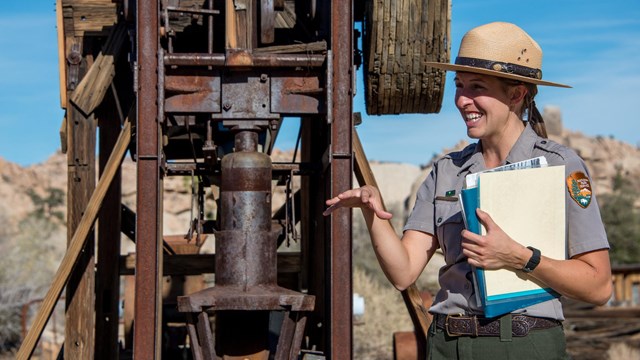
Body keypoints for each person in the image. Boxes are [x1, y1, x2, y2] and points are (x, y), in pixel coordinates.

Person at [324, 22, 612, 359]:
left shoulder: (561, 167)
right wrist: (374, 214)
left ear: (516, 94)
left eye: (477, 87)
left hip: (523, 345)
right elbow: (403, 273)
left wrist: (521, 257)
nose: (462, 100)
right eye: (459, 86)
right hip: (446, 345)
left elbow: (599, 286)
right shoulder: (446, 171)